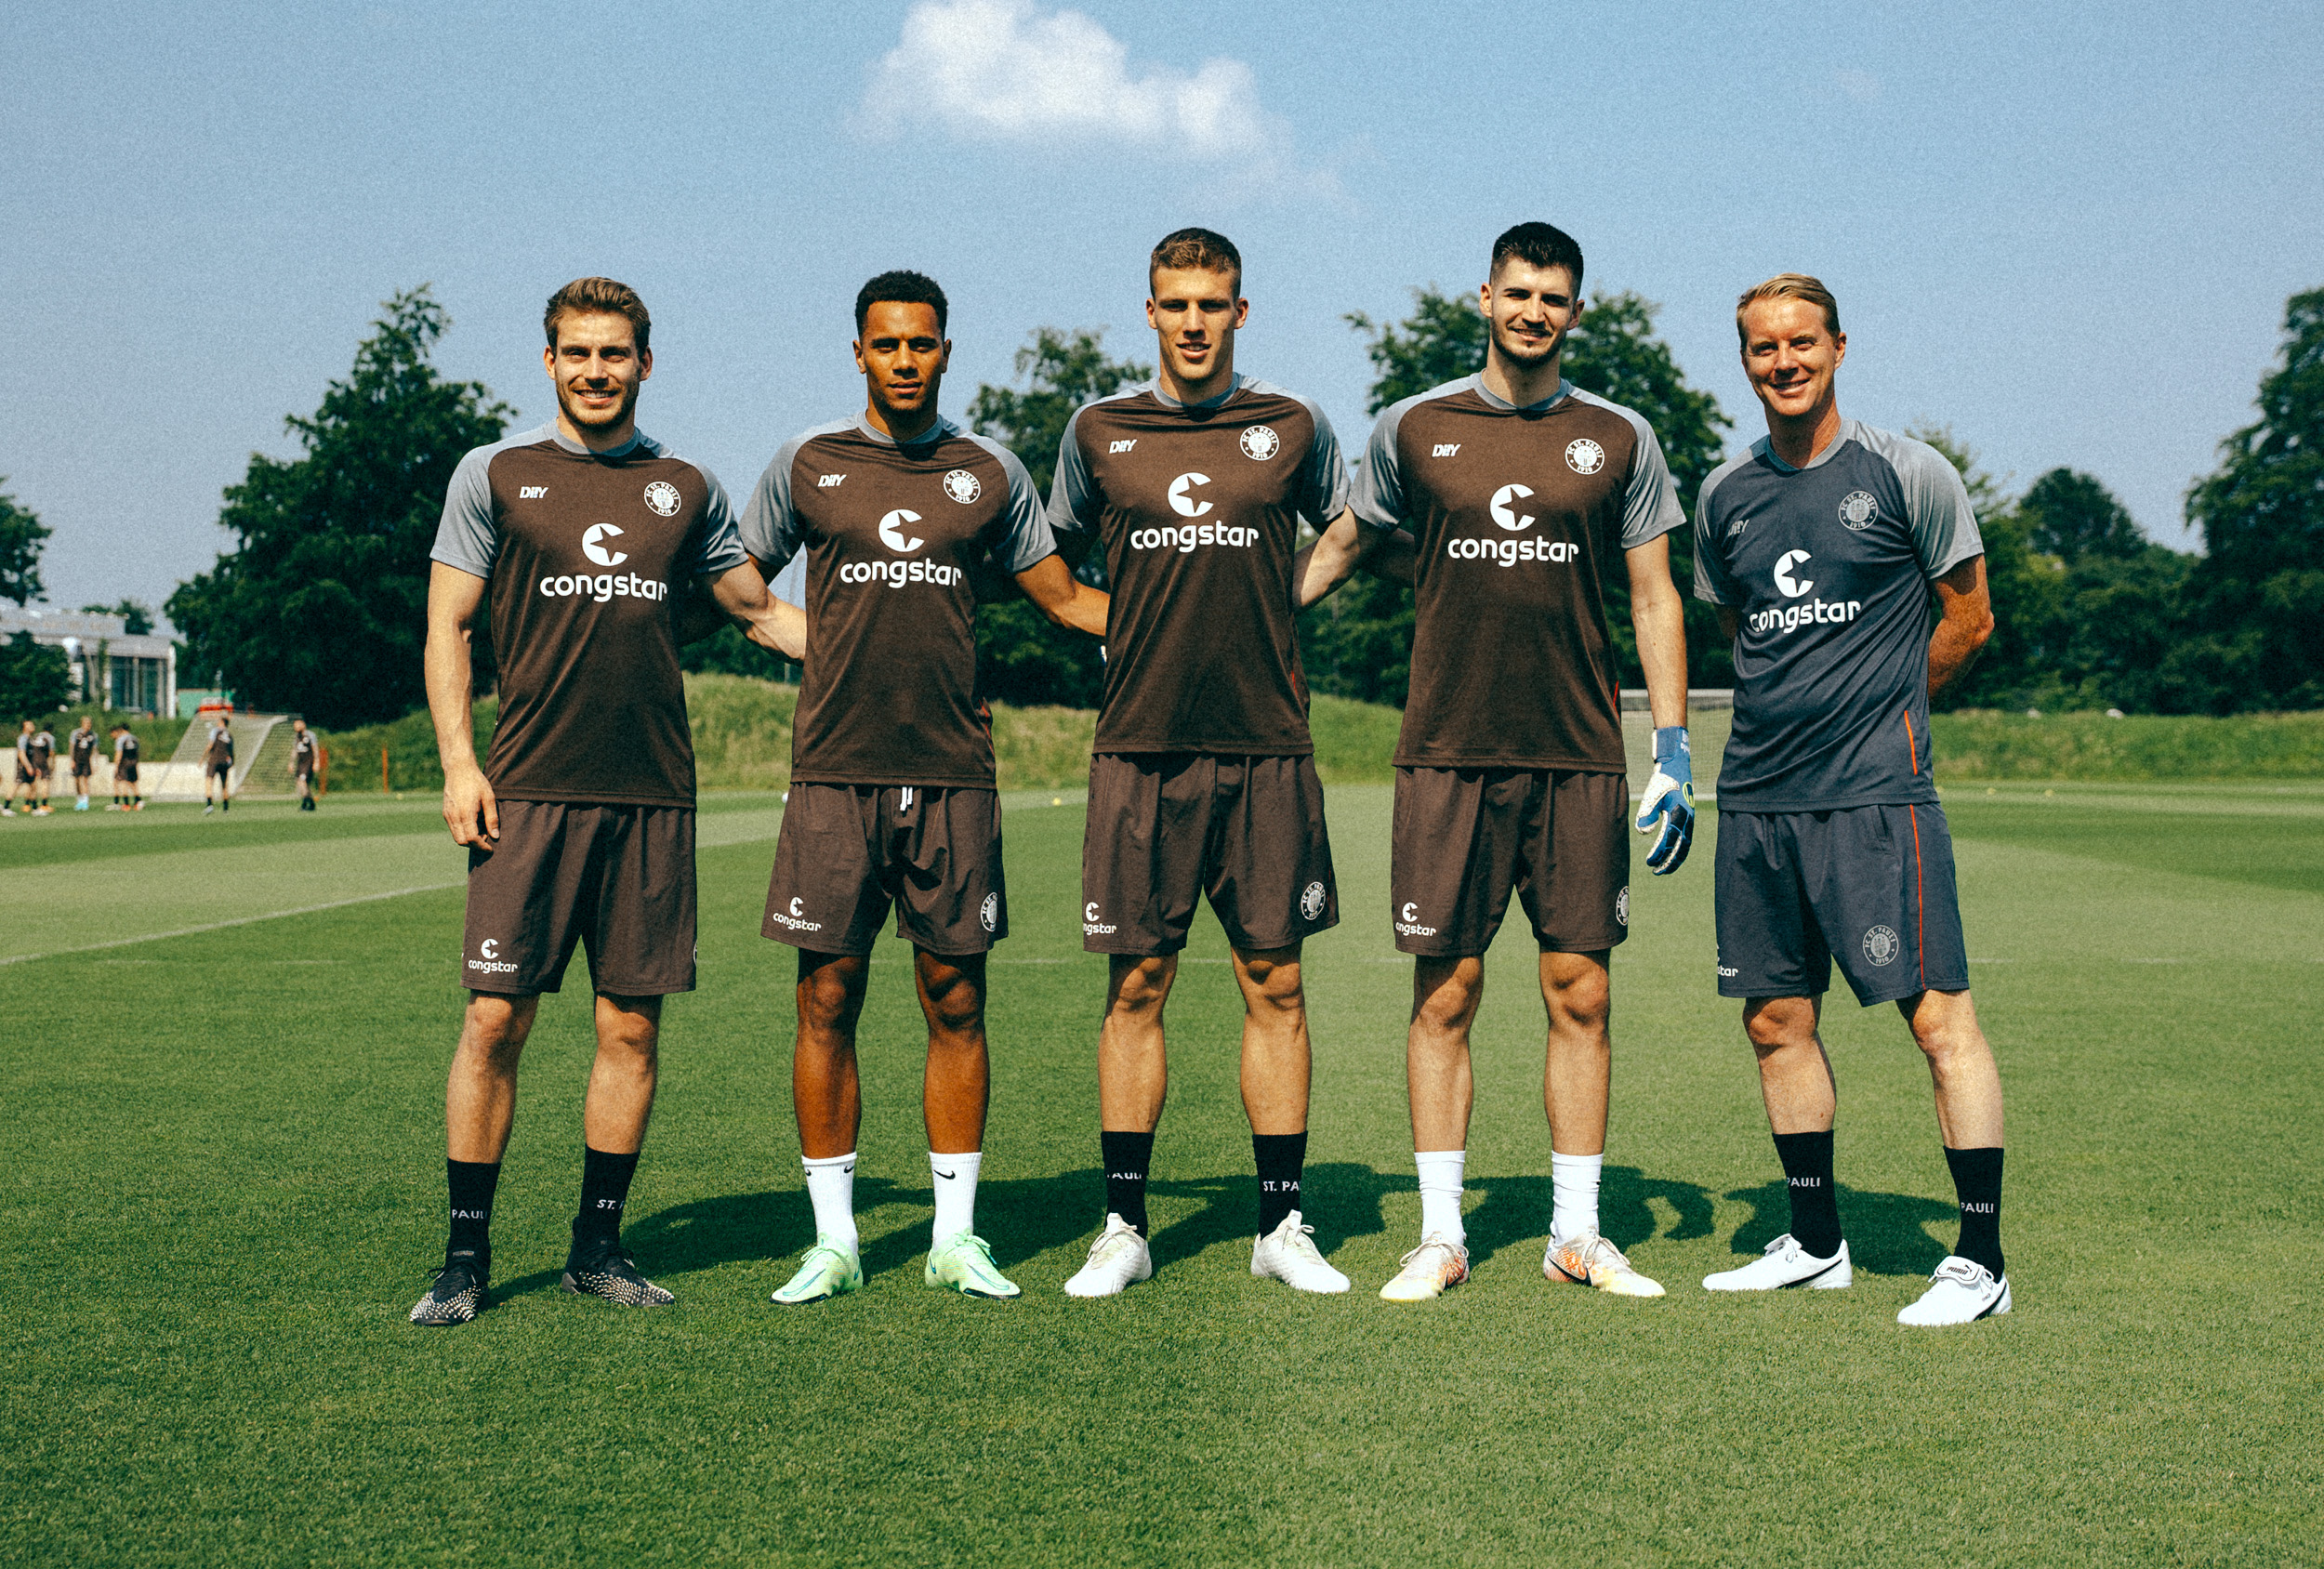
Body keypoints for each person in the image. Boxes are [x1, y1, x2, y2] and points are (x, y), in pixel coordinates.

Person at [1303, 221, 1696, 1302]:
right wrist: (1241, 620)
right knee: (1447, 992)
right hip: (1447, 753)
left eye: (1553, 298)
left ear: (1576, 312)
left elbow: (1654, 593)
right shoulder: (1413, 427)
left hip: (1576, 756)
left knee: (1580, 991)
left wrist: (1669, 743)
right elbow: (1340, 545)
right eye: (1517, 293)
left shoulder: (1618, 437)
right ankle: (1440, 1236)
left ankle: (1575, 1230)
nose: (1533, 311)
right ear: (1484, 298)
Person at [407, 276, 799, 1328]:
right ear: (548, 361)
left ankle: (597, 1246)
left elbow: (757, 610)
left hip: (651, 800)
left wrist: (890, 638)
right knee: (495, 1018)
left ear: (644, 363)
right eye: (576, 352)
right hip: (527, 791)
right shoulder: (494, 472)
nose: (595, 370)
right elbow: (448, 623)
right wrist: (458, 761)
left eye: (614, 353)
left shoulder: (685, 484)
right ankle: (463, 1257)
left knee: (630, 1026)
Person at [741, 270, 1109, 1305]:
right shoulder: (807, 461)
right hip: (833, 771)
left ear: (946, 351)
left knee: (956, 995)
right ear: (857, 351)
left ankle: (954, 1236)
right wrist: (814, 641)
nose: (905, 360)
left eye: (922, 344)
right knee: (826, 994)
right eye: (886, 344)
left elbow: (1064, 597)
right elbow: (738, 580)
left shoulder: (986, 470)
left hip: (952, 772)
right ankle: (835, 1242)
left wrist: (1184, 630)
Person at [1049, 228, 1381, 1298]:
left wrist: (1274, 607)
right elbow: (1046, 565)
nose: (1193, 321)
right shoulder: (1098, 430)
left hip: (1265, 745)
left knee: (1274, 980)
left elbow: (1349, 524)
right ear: (1148, 311)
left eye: (1213, 303)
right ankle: (1122, 1224)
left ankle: (1280, 1223)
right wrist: (1127, 625)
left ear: (1241, 311)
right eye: (1175, 303)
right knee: (1136, 980)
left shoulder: (1289, 424)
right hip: (1139, 745)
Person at [1692, 273, 2010, 1326]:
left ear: (1837, 347)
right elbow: (1739, 624)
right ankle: (1815, 1240)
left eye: (1800, 343)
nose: (1781, 362)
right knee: (1775, 1017)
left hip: (1877, 795)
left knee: (1935, 1020)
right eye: (1760, 347)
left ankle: (1979, 1259)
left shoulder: (1907, 471)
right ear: (1742, 359)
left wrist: (1886, 709)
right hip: (1757, 799)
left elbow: (1968, 618)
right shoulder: (1722, 493)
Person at [201, 716, 233, 813]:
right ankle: (226, 808)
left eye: (219, 721)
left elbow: (210, 745)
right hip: (224, 762)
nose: (217, 722)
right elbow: (231, 751)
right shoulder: (230, 735)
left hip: (214, 761)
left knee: (208, 781)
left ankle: (209, 804)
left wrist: (202, 758)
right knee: (224, 785)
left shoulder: (215, 731)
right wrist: (231, 763)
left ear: (222, 723)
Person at [288, 719, 320, 811]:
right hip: (300, 763)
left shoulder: (310, 735)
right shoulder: (296, 737)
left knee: (302, 782)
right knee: (300, 783)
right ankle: (311, 804)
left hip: (308, 762)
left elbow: (315, 748)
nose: (296, 727)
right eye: (295, 725)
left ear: (303, 725)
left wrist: (317, 762)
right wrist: (291, 762)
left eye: (298, 725)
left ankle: (305, 804)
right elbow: (294, 750)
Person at [68, 716, 99, 811]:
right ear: (82, 724)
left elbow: (95, 749)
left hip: (86, 760)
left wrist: (95, 762)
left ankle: (85, 802)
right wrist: (72, 759)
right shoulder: (75, 733)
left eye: (89, 724)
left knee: (85, 780)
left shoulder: (93, 735)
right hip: (77, 759)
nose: (88, 726)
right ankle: (79, 800)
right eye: (86, 723)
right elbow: (72, 747)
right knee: (77, 780)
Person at [109, 724, 142, 811]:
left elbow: (119, 753)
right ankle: (138, 802)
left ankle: (126, 804)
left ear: (121, 729)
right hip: (133, 762)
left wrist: (116, 765)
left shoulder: (121, 739)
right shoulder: (135, 739)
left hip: (124, 763)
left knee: (123, 782)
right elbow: (137, 752)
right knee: (132, 782)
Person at [28, 722, 56, 815]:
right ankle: (44, 805)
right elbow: (51, 753)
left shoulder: (36, 736)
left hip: (32, 761)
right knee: (45, 782)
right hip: (43, 761)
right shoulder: (50, 738)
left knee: (33, 784)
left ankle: (29, 805)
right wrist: (52, 765)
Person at [4, 719, 29, 815]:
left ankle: (34, 806)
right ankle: (6, 807)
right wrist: (28, 765)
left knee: (33, 786)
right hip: (24, 766)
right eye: (29, 725)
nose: (31, 726)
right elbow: (21, 753)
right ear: (24, 727)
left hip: (28, 765)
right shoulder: (23, 738)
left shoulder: (30, 738)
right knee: (16, 784)